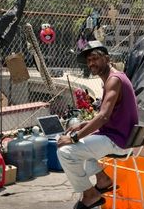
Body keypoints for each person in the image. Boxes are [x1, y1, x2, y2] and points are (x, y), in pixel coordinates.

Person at [57, 41, 138, 209]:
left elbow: (103, 117)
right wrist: (85, 124)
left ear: (107, 59)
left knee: (66, 151)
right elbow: (110, 115)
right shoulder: (114, 77)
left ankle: (90, 195)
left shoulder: (113, 80)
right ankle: (102, 179)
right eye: (89, 60)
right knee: (85, 142)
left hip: (118, 141)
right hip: (121, 137)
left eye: (95, 58)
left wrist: (73, 138)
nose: (91, 63)